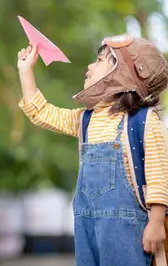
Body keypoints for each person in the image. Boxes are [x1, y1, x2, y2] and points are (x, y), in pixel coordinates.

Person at [17, 35, 168, 266]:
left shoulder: (143, 121)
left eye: (99, 61)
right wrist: (25, 71)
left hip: (125, 226)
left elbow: (159, 175)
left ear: (124, 73)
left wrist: (156, 222)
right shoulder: (86, 119)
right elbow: (42, 113)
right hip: (86, 222)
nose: (90, 66)